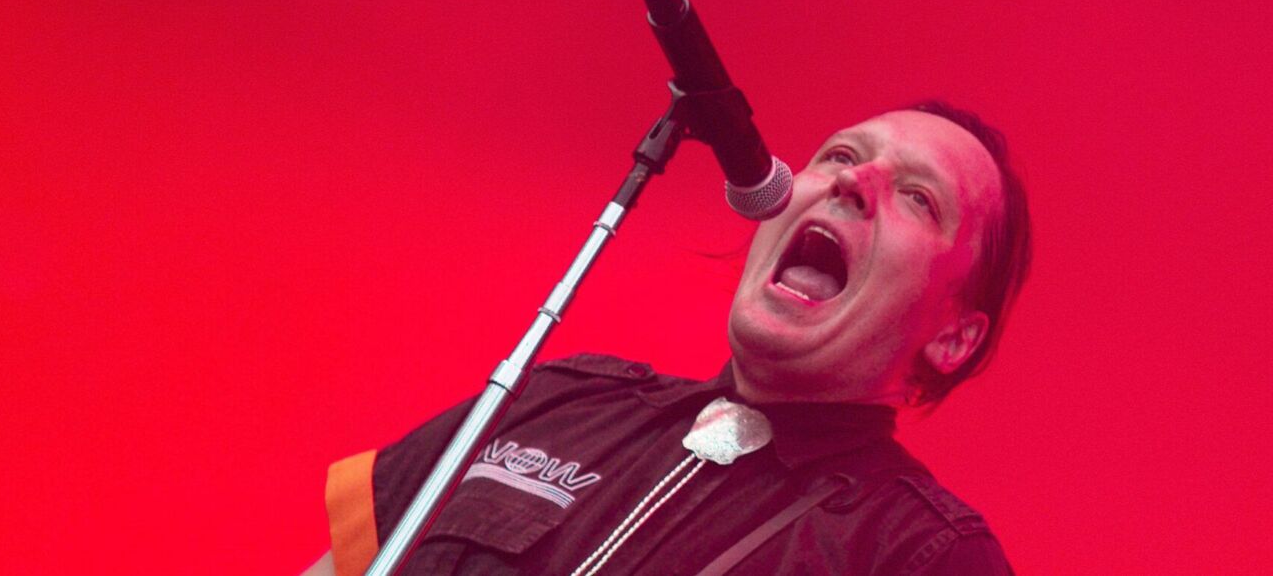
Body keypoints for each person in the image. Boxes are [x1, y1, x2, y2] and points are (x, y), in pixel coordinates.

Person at [310, 100, 1032, 575]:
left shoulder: (918, 553)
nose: (855, 180)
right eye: (839, 155)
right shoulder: (559, 398)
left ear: (954, 338)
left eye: (917, 197)